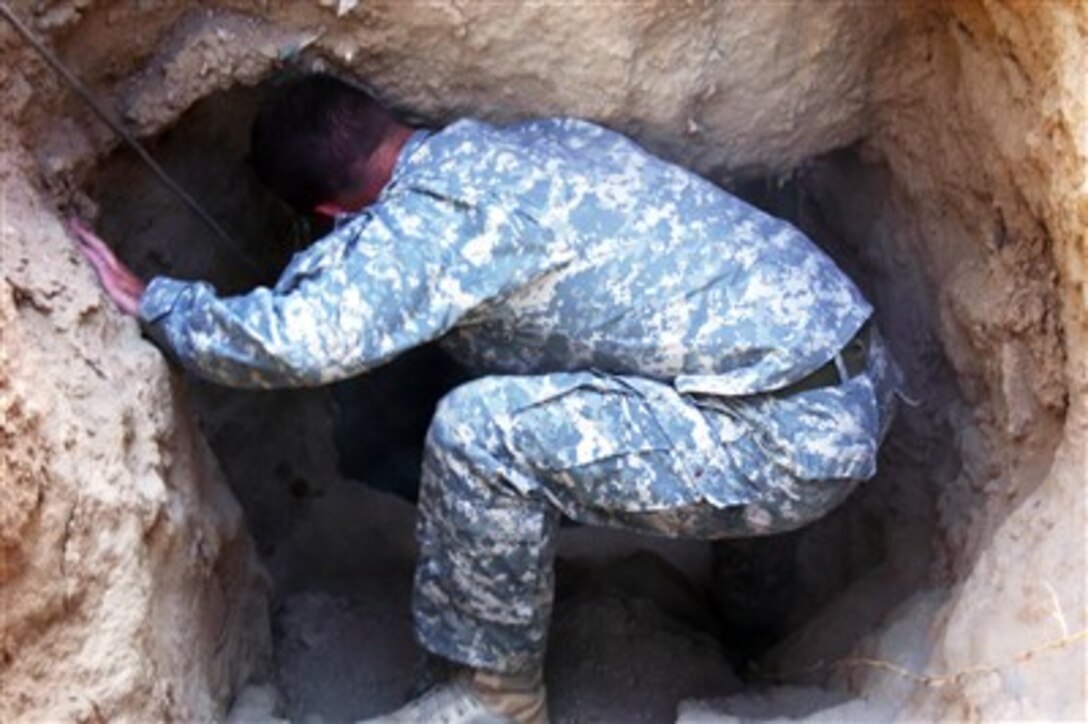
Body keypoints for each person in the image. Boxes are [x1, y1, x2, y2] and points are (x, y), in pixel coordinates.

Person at [72, 73, 901, 724]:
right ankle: (756, 628)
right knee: (667, 364)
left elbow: (296, 342)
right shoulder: (525, 141)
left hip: (789, 442)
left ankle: (490, 697)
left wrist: (160, 303)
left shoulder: (422, 227)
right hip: (847, 362)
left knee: (484, 433)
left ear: (329, 212)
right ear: (384, 120)